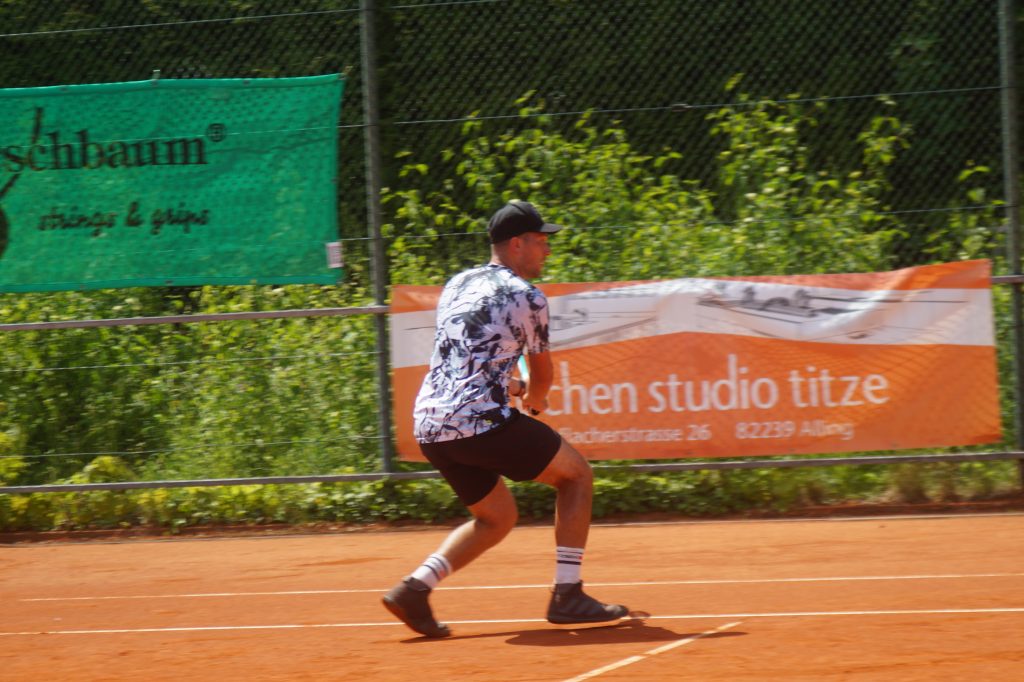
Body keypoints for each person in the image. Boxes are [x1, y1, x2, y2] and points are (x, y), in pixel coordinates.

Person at [382, 200, 628, 638]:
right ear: (517, 244)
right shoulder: (527, 296)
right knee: (576, 476)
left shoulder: (457, 284)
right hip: (479, 422)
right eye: (541, 241)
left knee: (496, 517)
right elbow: (543, 377)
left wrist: (515, 389)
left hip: (432, 425)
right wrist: (535, 400)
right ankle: (568, 594)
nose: (547, 250)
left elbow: (472, 365)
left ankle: (414, 589)